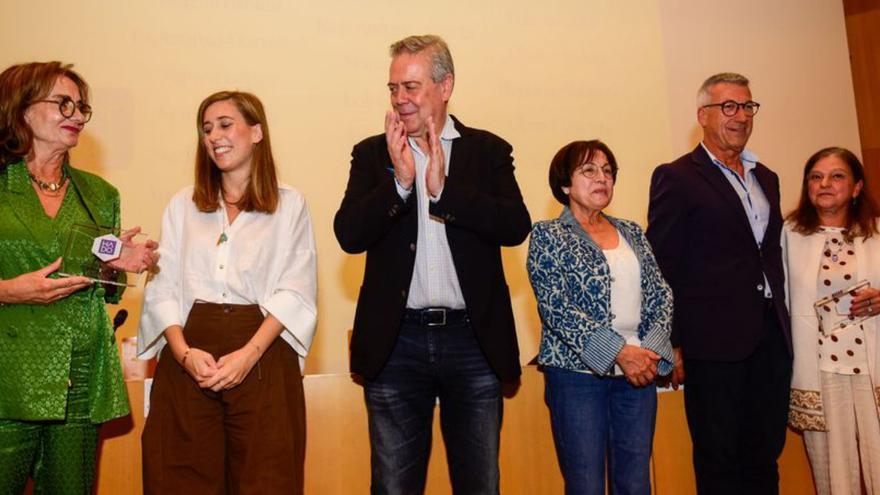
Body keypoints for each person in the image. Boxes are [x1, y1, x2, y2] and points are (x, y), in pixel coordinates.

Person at [334, 34, 531, 494]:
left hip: (473, 341)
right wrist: (401, 185)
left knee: (480, 484)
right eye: (393, 88)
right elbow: (349, 234)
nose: (399, 99)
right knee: (393, 486)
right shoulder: (371, 154)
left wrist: (445, 193)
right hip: (396, 343)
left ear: (445, 87)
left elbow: (515, 225)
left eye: (411, 86)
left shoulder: (488, 151)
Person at [138, 91, 317, 494]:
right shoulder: (182, 205)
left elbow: (296, 288)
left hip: (264, 354)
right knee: (179, 475)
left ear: (256, 132)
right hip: (189, 355)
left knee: (267, 476)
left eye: (225, 125)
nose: (214, 136)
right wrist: (183, 354)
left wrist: (248, 354)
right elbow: (162, 288)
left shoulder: (290, 204)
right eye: (206, 129)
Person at [0, 61, 156, 494]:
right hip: (8, 376)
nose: (77, 116)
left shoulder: (100, 194)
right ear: (21, 108)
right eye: (62, 103)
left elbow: (103, 291)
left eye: (81, 107)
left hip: (79, 380)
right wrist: (9, 291)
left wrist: (116, 266)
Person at [646, 72, 791, 494]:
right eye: (728, 106)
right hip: (712, 346)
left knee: (765, 456)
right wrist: (671, 341)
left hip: (771, 338)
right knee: (719, 461)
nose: (740, 116)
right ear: (703, 116)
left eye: (747, 106)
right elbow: (662, 265)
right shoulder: (676, 177)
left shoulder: (767, 177)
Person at [528, 140, 673, 495]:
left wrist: (649, 354)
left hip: (638, 373)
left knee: (636, 484)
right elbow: (556, 308)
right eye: (589, 170)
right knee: (586, 485)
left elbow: (661, 294)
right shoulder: (548, 235)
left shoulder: (632, 232)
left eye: (608, 171)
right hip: (576, 378)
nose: (602, 178)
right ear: (565, 184)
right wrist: (619, 352)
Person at [785, 147, 880, 494]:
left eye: (837, 176)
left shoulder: (878, 233)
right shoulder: (789, 235)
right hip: (820, 370)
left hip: (873, 367)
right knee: (833, 473)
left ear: (856, 187)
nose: (825, 183)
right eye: (816, 177)